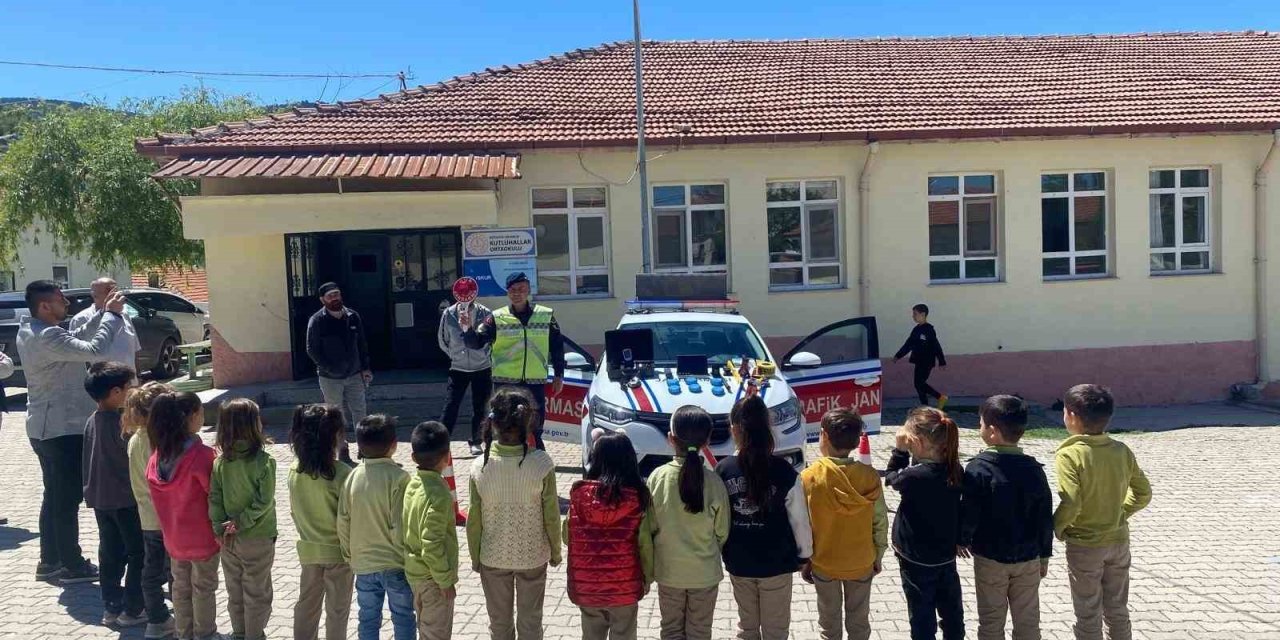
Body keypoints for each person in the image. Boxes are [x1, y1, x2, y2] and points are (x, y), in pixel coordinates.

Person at [17, 279, 125, 583]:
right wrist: (112, 316)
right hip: (61, 429)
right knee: (66, 500)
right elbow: (94, 349)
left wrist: (100, 310)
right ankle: (70, 564)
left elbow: (75, 339)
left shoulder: (33, 329)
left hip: (44, 426)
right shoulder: (47, 335)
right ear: (44, 306)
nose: (67, 303)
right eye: (60, 299)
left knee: (54, 496)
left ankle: (49, 561)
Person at [1054, 385, 1152, 640]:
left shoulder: (1069, 454)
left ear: (1072, 417)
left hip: (1084, 544)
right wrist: (1120, 512)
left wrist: (1058, 527)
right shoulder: (1121, 450)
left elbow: (1071, 502)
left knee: (1088, 611)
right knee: (1117, 608)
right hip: (1119, 541)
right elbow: (1144, 493)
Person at [467, 386, 561, 640]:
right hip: (532, 555)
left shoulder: (479, 466)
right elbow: (551, 515)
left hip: (492, 555)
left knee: (499, 623)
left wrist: (475, 556)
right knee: (531, 622)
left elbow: (473, 519)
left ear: (493, 424)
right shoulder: (542, 463)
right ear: (528, 423)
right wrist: (555, 550)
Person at [716, 396, 812, 640]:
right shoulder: (785, 471)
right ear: (767, 429)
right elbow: (799, 519)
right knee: (776, 631)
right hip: (777, 563)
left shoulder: (723, 470)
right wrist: (805, 554)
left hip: (739, 562)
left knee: (747, 629)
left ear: (734, 429)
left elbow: (717, 518)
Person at [958, 395, 1054, 640]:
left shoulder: (977, 468)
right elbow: (1044, 516)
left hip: (990, 558)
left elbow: (970, 511)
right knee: (1028, 620)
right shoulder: (1034, 469)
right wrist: (1044, 554)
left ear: (992, 431)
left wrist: (962, 539)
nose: (979, 427)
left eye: (980, 423)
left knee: (991, 621)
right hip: (1029, 558)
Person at [800, 408, 888, 640]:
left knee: (828, 624)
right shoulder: (870, 476)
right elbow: (880, 521)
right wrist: (877, 556)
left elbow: (804, 525)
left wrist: (806, 559)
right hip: (861, 561)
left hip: (824, 562)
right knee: (859, 622)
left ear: (824, 436)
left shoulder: (809, 477)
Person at [647, 405, 730, 640]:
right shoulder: (715, 482)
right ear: (707, 441)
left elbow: (649, 524)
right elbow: (722, 532)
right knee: (700, 632)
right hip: (704, 574)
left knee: (671, 630)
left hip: (668, 571)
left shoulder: (657, 478)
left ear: (671, 439)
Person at [146, 391, 222, 640]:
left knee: (180, 588)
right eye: (200, 412)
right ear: (190, 417)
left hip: (174, 539)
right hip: (202, 538)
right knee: (203, 588)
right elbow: (216, 493)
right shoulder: (202, 457)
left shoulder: (156, 458)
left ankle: (184, 633)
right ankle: (205, 634)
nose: (203, 416)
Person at [564, 432, 655, 640]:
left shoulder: (578, 495)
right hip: (625, 587)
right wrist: (648, 577)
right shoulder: (638, 498)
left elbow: (566, 535)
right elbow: (645, 544)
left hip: (587, 587)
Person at [885, 407, 965, 640]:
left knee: (921, 614)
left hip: (914, 557)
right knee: (951, 611)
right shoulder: (955, 469)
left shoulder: (913, 476)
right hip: (945, 554)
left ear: (918, 443)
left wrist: (899, 451)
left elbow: (891, 477)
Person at [462, 272, 564, 450]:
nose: (517, 293)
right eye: (513, 290)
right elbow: (476, 343)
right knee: (504, 426)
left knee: (535, 428)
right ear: (507, 292)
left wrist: (559, 375)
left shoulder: (545, 315)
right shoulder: (496, 317)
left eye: (521, 289)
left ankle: (537, 464)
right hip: (505, 385)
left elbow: (556, 347)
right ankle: (504, 464)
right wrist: (467, 328)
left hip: (534, 383)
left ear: (528, 290)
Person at [338, 414, 415, 640]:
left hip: (363, 564)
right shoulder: (400, 478)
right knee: (403, 615)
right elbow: (400, 523)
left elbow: (343, 520)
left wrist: (348, 554)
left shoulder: (352, 477)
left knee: (368, 617)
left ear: (359, 446)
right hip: (395, 563)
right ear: (394, 445)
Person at [82, 361, 145, 628]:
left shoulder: (91, 420)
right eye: (131, 386)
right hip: (125, 500)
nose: (135, 390)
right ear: (117, 392)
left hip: (101, 500)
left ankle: (111, 606)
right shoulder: (124, 424)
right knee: (138, 553)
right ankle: (132, 608)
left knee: (109, 551)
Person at [210, 399, 277, 640]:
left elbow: (214, 498)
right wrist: (242, 521)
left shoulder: (220, 462)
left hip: (228, 537)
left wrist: (219, 525)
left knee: (234, 590)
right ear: (253, 425)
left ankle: (239, 633)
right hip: (257, 536)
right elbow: (264, 500)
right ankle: (254, 635)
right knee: (257, 591)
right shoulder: (264, 461)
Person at [289, 404, 355, 640]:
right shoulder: (344, 473)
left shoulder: (294, 471)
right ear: (335, 436)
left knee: (306, 606)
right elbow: (349, 519)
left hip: (309, 551)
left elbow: (294, 512)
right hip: (339, 554)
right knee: (338, 610)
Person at [124, 381, 177, 640]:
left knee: (152, 570)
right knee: (175, 570)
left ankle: (157, 619)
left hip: (147, 517)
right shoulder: (158, 442)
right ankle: (173, 616)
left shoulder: (136, 438)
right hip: (167, 518)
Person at [403, 421, 459, 640]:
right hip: (434, 579)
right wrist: (445, 580)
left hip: (414, 574)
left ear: (413, 458)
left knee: (425, 630)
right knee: (436, 634)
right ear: (447, 457)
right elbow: (431, 542)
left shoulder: (412, 484)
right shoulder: (440, 493)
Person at [306, 282, 371, 458]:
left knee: (360, 411)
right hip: (330, 378)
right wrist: (328, 367)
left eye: (337, 294)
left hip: (355, 374)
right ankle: (342, 449)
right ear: (322, 300)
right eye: (330, 296)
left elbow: (362, 344)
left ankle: (365, 448)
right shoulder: (317, 320)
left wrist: (365, 368)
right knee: (336, 415)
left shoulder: (352, 316)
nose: (335, 298)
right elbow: (312, 349)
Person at [438, 278, 493, 457]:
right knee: (451, 406)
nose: (465, 306)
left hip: (482, 367)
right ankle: (441, 443)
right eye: (462, 301)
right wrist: (455, 356)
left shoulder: (485, 313)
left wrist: (482, 355)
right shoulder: (449, 314)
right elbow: (443, 339)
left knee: (480, 406)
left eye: (469, 302)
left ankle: (476, 442)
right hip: (458, 368)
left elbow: (491, 340)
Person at [69, 277, 141, 368]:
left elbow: (135, 349)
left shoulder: (124, 315)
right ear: (94, 296)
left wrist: (138, 377)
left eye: (116, 290)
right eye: (110, 291)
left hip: (129, 379)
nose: (116, 294)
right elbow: (78, 358)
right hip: (102, 380)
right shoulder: (81, 319)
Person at [893, 303, 948, 410]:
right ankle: (925, 406)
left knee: (919, 383)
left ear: (923, 314)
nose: (913, 316)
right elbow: (908, 344)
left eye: (915, 314)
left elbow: (936, 346)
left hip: (927, 361)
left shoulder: (929, 329)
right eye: (913, 314)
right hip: (918, 361)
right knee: (918, 384)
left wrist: (942, 361)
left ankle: (939, 397)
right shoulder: (916, 329)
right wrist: (898, 355)